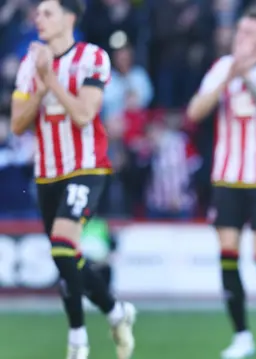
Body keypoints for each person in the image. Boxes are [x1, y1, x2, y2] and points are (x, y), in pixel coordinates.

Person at [9, 1, 136, 359]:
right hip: (47, 173)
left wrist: (50, 79)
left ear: (70, 18)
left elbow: (83, 114)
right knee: (66, 256)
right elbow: (18, 123)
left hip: (87, 167)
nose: (38, 19)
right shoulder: (28, 66)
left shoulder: (92, 57)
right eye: (37, 13)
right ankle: (115, 311)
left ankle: (78, 340)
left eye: (47, 13)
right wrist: (39, 81)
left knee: (64, 247)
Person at [186, 5, 256, 359]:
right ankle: (241, 336)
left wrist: (248, 78)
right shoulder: (222, 68)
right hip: (227, 177)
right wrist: (228, 76)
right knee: (228, 255)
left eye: (249, 33)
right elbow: (194, 112)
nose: (240, 38)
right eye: (239, 32)